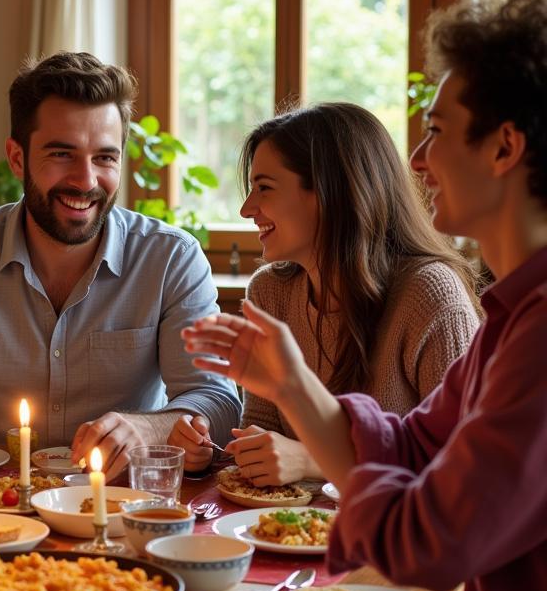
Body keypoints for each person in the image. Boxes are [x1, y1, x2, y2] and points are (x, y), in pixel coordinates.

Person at [183, 0, 547, 591]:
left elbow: (430, 544)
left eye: (438, 133)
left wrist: (304, 399)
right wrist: (289, 388)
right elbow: (415, 446)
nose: (416, 160)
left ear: (505, 149)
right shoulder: (513, 315)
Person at [0, 51, 241, 480]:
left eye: (105, 158)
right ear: (17, 158)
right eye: (62, 154)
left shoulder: (171, 259)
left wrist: (148, 427)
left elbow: (215, 400)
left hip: (121, 501)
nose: (86, 181)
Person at [169, 103, 480, 481]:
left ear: (332, 193)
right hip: (286, 532)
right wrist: (215, 451)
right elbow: (261, 431)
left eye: (264, 188)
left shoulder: (430, 294)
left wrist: (310, 461)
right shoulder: (271, 291)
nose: (247, 209)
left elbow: (465, 472)